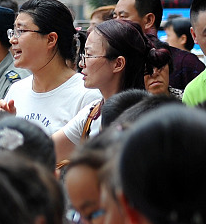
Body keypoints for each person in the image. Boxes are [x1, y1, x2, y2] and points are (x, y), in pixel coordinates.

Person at [53, 18, 155, 161]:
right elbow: (46, 150)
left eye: (89, 55)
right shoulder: (91, 114)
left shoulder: (150, 121)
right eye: (84, 55)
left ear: (118, 63)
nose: (82, 63)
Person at [1, 0, 99, 131]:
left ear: (51, 39)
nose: (13, 40)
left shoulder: (87, 95)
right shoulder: (16, 90)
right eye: (13, 32)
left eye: (21, 31)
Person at [113, 0, 203, 89]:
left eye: (123, 16)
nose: (116, 23)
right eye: (114, 17)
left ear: (148, 20)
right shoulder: (115, 63)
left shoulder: (186, 64)